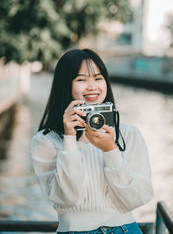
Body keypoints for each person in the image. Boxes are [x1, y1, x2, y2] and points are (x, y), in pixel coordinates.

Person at [31, 48, 153, 234]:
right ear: (65, 85)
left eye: (98, 78)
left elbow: (137, 198)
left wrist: (110, 150)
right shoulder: (46, 141)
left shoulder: (129, 134)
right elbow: (66, 197)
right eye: (81, 79)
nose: (92, 86)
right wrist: (70, 138)